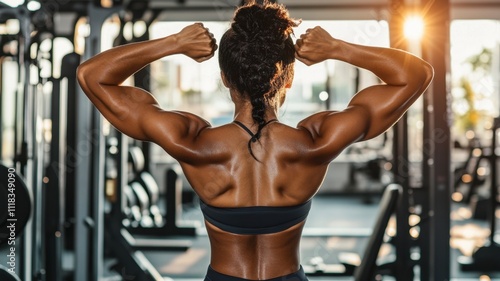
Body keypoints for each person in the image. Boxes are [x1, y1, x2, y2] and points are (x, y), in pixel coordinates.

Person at [77, 1, 433, 280]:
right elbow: (417, 74)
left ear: (224, 79)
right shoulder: (316, 142)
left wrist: (174, 43)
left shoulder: (193, 142)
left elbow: (92, 76)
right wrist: (337, 48)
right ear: (289, 78)